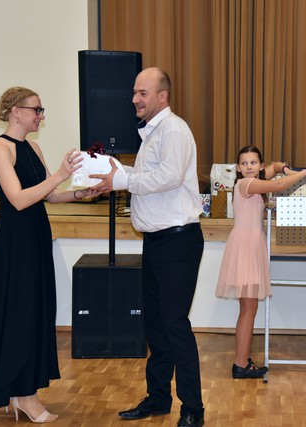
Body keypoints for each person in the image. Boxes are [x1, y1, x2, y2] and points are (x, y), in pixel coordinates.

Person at [0, 86, 99, 423]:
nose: (41, 116)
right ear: (15, 111)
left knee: (36, 312)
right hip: (15, 242)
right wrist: (60, 174)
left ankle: (22, 392)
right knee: (20, 314)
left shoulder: (33, 147)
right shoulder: (0, 149)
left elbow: (50, 196)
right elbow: (17, 199)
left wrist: (81, 193)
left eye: (41, 110)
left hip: (35, 236)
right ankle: (22, 395)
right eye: (36, 109)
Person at [89, 67, 205, 427]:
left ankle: (193, 409)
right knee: (155, 325)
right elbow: (149, 177)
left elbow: (169, 177)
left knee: (174, 325)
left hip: (178, 242)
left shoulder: (174, 130)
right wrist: (114, 176)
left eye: (143, 93)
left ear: (162, 96)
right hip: (157, 243)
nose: (135, 99)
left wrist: (122, 179)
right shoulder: (154, 133)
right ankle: (158, 398)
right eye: (134, 92)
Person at [215, 146, 306, 379]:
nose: (249, 166)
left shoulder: (256, 179)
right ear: (238, 168)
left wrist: (285, 168)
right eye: (244, 163)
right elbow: (279, 185)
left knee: (249, 308)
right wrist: (305, 172)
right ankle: (240, 363)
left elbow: (276, 168)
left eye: (253, 162)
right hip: (246, 248)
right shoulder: (247, 184)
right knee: (248, 309)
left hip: (250, 245)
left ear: (260, 165)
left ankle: (243, 359)